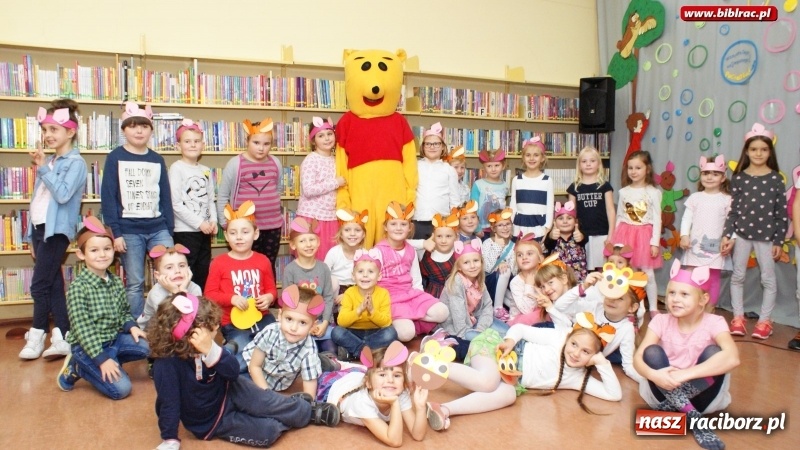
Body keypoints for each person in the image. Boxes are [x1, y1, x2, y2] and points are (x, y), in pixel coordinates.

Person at [150, 293, 338, 450]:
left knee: (266, 400)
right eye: (212, 328)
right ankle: (288, 411)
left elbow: (232, 372)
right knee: (268, 432)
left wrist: (212, 350)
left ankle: (308, 411)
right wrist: (170, 439)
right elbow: (168, 404)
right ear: (190, 335)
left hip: (229, 388)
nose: (217, 329)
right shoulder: (165, 366)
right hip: (213, 421)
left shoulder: (207, 346)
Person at [426, 315, 621, 431]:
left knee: (509, 395)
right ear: (568, 339)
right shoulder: (558, 339)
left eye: (586, 352)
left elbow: (614, 394)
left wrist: (602, 363)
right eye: (574, 344)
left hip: (512, 378)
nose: (576, 353)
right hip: (498, 349)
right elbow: (520, 329)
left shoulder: (578, 378)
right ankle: (430, 364)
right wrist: (510, 341)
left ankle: (443, 409)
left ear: (593, 356)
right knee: (488, 382)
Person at [634, 261, 740, 450]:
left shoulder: (715, 322)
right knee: (651, 352)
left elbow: (733, 358)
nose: (675, 299)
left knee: (715, 353)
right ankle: (693, 418)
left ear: (703, 299)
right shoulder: (660, 321)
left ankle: (674, 410)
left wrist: (684, 375)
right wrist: (654, 375)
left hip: (702, 395)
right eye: (671, 293)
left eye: (684, 294)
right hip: (663, 388)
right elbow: (638, 359)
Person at [20, 99, 87, 360]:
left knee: (39, 285)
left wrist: (43, 168)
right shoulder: (52, 162)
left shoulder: (76, 163)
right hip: (40, 229)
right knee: (54, 284)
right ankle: (63, 335)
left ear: (70, 132)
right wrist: (29, 236)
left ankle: (37, 333)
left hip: (56, 231)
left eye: (54, 130)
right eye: (45, 130)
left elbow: (61, 195)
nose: (48, 135)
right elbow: (38, 201)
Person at [57, 216, 149, 399]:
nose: (102, 255)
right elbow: (83, 331)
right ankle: (77, 366)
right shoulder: (78, 288)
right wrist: (101, 359)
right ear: (81, 254)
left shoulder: (115, 281)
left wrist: (132, 326)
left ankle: (109, 362)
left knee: (147, 347)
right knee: (122, 390)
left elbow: (124, 311)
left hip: (113, 340)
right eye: (94, 250)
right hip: (87, 347)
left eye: (107, 249)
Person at [101, 101, 174, 319]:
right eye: (132, 126)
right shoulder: (115, 157)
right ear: (124, 130)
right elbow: (109, 198)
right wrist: (116, 233)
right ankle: (136, 327)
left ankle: (171, 322)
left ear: (151, 130)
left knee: (171, 275)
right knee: (135, 283)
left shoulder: (157, 159)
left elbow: (165, 196)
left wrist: (169, 230)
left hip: (158, 228)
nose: (139, 130)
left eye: (144, 126)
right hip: (129, 231)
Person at [721, 123, 787, 340]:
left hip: (767, 238)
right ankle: (738, 317)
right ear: (747, 152)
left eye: (764, 149)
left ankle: (764, 321)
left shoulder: (775, 179)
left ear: (770, 152)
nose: (759, 153)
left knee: (768, 279)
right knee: (738, 276)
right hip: (740, 235)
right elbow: (734, 211)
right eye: (754, 149)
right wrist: (727, 235)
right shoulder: (739, 178)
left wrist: (778, 241)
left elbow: (781, 213)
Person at [205, 201, 277, 371]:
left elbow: (272, 290)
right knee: (244, 353)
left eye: (245, 232)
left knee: (276, 344)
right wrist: (232, 298)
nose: (239, 237)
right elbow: (209, 294)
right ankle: (230, 357)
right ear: (227, 236)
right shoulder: (219, 263)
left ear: (256, 234)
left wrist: (269, 298)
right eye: (233, 233)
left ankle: (242, 359)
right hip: (232, 322)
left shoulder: (263, 261)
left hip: (262, 319)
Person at [320, 342, 428, 446]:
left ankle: (340, 364)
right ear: (369, 383)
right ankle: (333, 363)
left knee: (365, 371)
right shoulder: (362, 403)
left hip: (357, 377)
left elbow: (418, 435)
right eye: (382, 375)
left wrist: (420, 408)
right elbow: (395, 441)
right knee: (324, 375)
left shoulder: (401, 392)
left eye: (397, 375)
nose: (390, 380)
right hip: (331, 387)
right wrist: (394, 404)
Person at [243, 285, 337, 397]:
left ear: (312, 326)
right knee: (239, 385)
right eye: (289, 319)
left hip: (283, 380)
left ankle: (325, 363)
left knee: (311, 373)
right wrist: (267, 395)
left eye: (302, 322)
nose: (293, 328)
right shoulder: (270, 332)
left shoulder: (309, 350)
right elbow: (255, 366)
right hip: (253, 368)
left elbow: (309, 394)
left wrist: (307, 406)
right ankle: (322, 361)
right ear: (280, 315)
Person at [375, 201, 449, 342]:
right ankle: (406, 321)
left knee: (442, 312)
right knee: (406, 333)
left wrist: (420, 300)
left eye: (403, 224)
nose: (398, 228)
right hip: (389, 299)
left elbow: (416, 280)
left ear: (410, 228)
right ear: (385, 226)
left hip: (410, 295)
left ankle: (411, 317)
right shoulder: (377, 251)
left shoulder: (410, 250)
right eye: (393, 224)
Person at [217, 117, 283, 270]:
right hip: (245, 228)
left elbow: (277, 189)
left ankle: (268, 295)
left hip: (273, 226)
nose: (261, 148)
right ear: (247, 141)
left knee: (267, 265)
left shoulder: (275, 163)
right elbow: (223, 196)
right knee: (246, 266)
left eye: (267, 144)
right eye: (256, 143)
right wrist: (225, 223)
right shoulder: (236, 164)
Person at [610, 150, 662, 317]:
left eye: (638, 167)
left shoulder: (653, 192)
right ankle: (632, 305)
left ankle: (653, 307)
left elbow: (657, 219)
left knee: (648, 273)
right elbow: (619, 216)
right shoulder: (624, 192)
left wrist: (654, 242)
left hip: (644, 235)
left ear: (647, 169)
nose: (633, 171)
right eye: (630, 168)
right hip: (625, 234)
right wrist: (614, 241)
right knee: (627, 272)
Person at [440, 238, 508, 361]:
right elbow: (458, 316)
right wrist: (474, 336)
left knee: (507, 332)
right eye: (466, 263)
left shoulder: (479, 279)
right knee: (494, 341)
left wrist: (481, 328)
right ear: (459, 267)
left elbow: (487, 305)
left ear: (481, 262)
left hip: (474, 321)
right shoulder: (456, 282)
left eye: (476, 261)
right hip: (457, 327)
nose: (472, 266)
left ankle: (508, 347)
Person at [169, 118, 217, 290]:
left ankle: (200, 306)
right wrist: (199, 223)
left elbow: (210, 199)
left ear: (203, 145)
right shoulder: (177, 168)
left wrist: (213, 221)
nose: (192, 145)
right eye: (187, 141)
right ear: (178, 146)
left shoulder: (205, 170)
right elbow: (176, 204)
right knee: (187, 271)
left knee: (203, 268)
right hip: (185, 231)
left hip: (204, 231)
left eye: (196, 141)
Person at [679, 155, 731, 310]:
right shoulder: (695, 198)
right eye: (706, 173)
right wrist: (684, 235)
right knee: (691, 277)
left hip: (715, 248)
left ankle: (709, 310)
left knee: (713, 279)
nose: (710, 177)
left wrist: (730, 240)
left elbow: (731, 223)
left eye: (715, 174)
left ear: (723, 178)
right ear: (701, 175)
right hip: (694, 247)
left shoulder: (727, 199)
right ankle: (691, 308)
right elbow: (686, 218)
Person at [331, 249, 398, 361]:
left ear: (379, 276)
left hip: (375, 332)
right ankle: (370, 353)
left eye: (371, 272)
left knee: (391, 333)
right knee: (336, 332)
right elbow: (341, 322)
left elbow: (386, 322)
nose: (365, 275)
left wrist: (372, 311)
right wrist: (359, 310)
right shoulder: (349, 293)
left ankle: (356, 352)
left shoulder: (383, 293)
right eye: (360, 271)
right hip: (353, 332)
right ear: (353, 276)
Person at [282, 217, 336, 349]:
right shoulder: (290, 270)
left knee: (331, 351)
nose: (308, 244)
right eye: (302, 241)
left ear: (318, 243)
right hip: (299, 324)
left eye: (312, 240)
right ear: (293, 245)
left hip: (322, 323)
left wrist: (324, 323)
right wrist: (306, 324)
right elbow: (288, 302)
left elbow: (328, 297)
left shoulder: (323, 268)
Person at [298, 117, 346, 260]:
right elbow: (309, 190)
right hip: (312, 218)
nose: (326, 138)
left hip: (330, 218)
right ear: (313, 140)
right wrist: (335, 182)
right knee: (312, 258)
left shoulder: (336, 159)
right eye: (321, 135)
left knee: (329, 259)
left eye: (329, 134)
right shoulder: (311, 159)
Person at [567, 146, 615, 271]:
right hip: (582, 234)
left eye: (592, 161)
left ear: (599, 164)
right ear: (579, 165)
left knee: (603, 269)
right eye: (584, 161)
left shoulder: (604, 186)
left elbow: (611, 211)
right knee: (583, 267)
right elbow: (571, 214)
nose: (588, 164)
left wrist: (611, 235)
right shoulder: (574, 187)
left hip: (602, 233)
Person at [412, 122, 460, 240]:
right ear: (423, 147)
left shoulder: (449, 170)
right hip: (417, 221)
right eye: (428, 144)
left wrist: (453, 222)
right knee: (417, 254)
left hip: (441, 223)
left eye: (436, 144)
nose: (432, 147)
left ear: (443, 146)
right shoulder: (415, 167)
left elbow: (455, 200)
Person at [138, 245, 202, 330]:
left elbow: (194, 319)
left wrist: (181, 290)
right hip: (159, 330)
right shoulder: (156, 294)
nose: (177, 271)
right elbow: (171, 322)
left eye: (182, 266)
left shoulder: (195, 289)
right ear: (158, 275)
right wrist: (176, 291)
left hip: (186, 329)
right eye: (169, 267)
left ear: (189, 270)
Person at [510, 136, 553, 238]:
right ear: (523, 158)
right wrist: (511, 225)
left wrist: (547, 229)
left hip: (539, 228)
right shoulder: (516, 180)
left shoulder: (547, 180)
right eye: (528, 155)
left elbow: (550, 207)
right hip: (519, 227)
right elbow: (513, 205)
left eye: (536, 155)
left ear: (542, 158)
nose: (532, 158)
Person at [325, 208, 368, 308]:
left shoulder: (365, 254)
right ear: (341, 234)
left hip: (356, 290)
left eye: (357, 230)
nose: (352, 234)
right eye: (347, 230)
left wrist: (349, 295)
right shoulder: (334, 252)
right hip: (335, 291)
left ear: (363, 234)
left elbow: (368, 280)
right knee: (332, 281)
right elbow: (324, 276)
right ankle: (330, 311)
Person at [481, 208, 515, 319]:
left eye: (507, 224)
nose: (505, 228)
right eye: (500, 225)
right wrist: (497, 246)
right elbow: (487, 268)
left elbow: (515, 271)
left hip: (506, 285)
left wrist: (506, 263)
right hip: (489, 283)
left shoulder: (514, 246)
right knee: (505, 270)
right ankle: (497, 308)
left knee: (514, 302)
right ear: (493, 228)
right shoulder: (487, 243)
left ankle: (513, 310)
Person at [543, 201, 588, 283]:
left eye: (569, 218)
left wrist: (581, 236)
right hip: (559, 280)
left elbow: (585, 240)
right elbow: (547, 244)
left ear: (575, 222)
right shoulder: (552, 236)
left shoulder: (579, 234)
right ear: (554, 222)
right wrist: (550, 236)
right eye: (560, 218)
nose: (565, 221)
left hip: (579, 279)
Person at [507, 235, 545, 326]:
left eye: (529, 254)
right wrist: (529, 285)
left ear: (540, 259)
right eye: (520, 255)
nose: (524, 257)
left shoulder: (544, 276)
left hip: (542, 315)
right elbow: (526, 310)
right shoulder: (515, 282)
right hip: (520, 321)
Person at [419, 211, 459, 298]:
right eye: (439, 236)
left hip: (454, 295)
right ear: (433, 237)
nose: (443, 241)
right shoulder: (425, 254)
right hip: (432, 296)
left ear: (456, 237)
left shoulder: (459, 255)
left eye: (448, 236)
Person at [472, 150, 509, 236]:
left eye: (497, 165)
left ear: (503, 166)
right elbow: (473, 208)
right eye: (489, 166)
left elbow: (502, 206)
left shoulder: (505, 186)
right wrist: (476, 229)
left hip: (500, 228)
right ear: (484, 168)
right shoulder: (478, 184)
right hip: (482, 229)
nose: (493, 169)